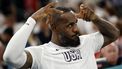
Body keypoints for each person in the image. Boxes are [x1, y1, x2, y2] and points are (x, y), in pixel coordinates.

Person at [3, 2, 119, 69]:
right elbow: (10, 57)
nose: (75, 29)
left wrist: (95, 19)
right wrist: (33, 19)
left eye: (75, 24)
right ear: (54, 27)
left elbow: (114, 34)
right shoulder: (41, 53)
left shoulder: (87, 42)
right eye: (69, 25)